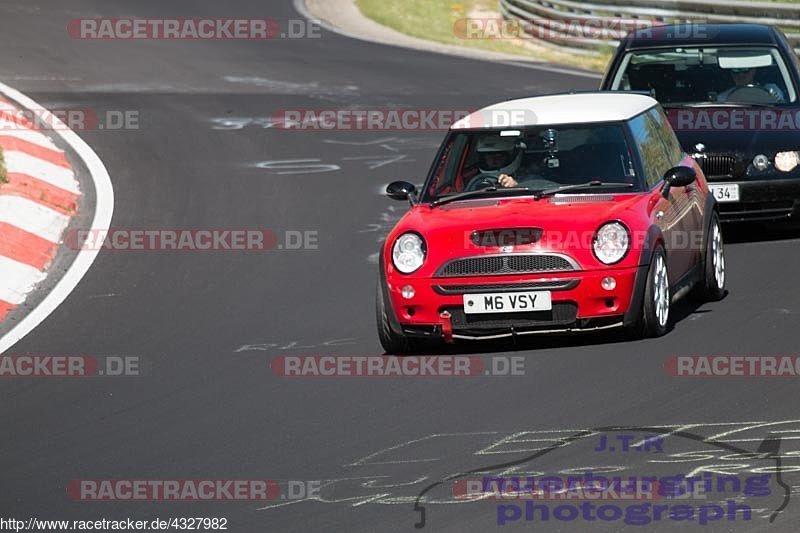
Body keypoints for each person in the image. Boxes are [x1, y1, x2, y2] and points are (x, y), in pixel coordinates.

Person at [716, 67, 784, 103]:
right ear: (731, 73)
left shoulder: (771, 90)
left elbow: (782, 112)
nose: (740, 75)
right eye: (735, 70)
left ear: (754, 70)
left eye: (745, 70)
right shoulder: (722, 98)